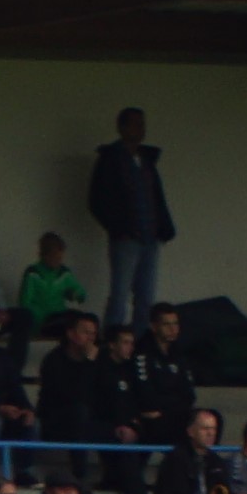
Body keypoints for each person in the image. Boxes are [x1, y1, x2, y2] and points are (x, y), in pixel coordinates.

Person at [87, 107, 177, 335]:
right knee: (120, 295)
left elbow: (156, 197)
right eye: (135, 124)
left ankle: (138, 345)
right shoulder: (110, 159)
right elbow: (97, 200)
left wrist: (163, 228)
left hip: (150, 236)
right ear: (122, 127)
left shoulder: (146, 160)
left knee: (146, 298)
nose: (140, 129)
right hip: (126, 238)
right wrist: (118, 228)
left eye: (142, 124)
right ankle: (112, 344)